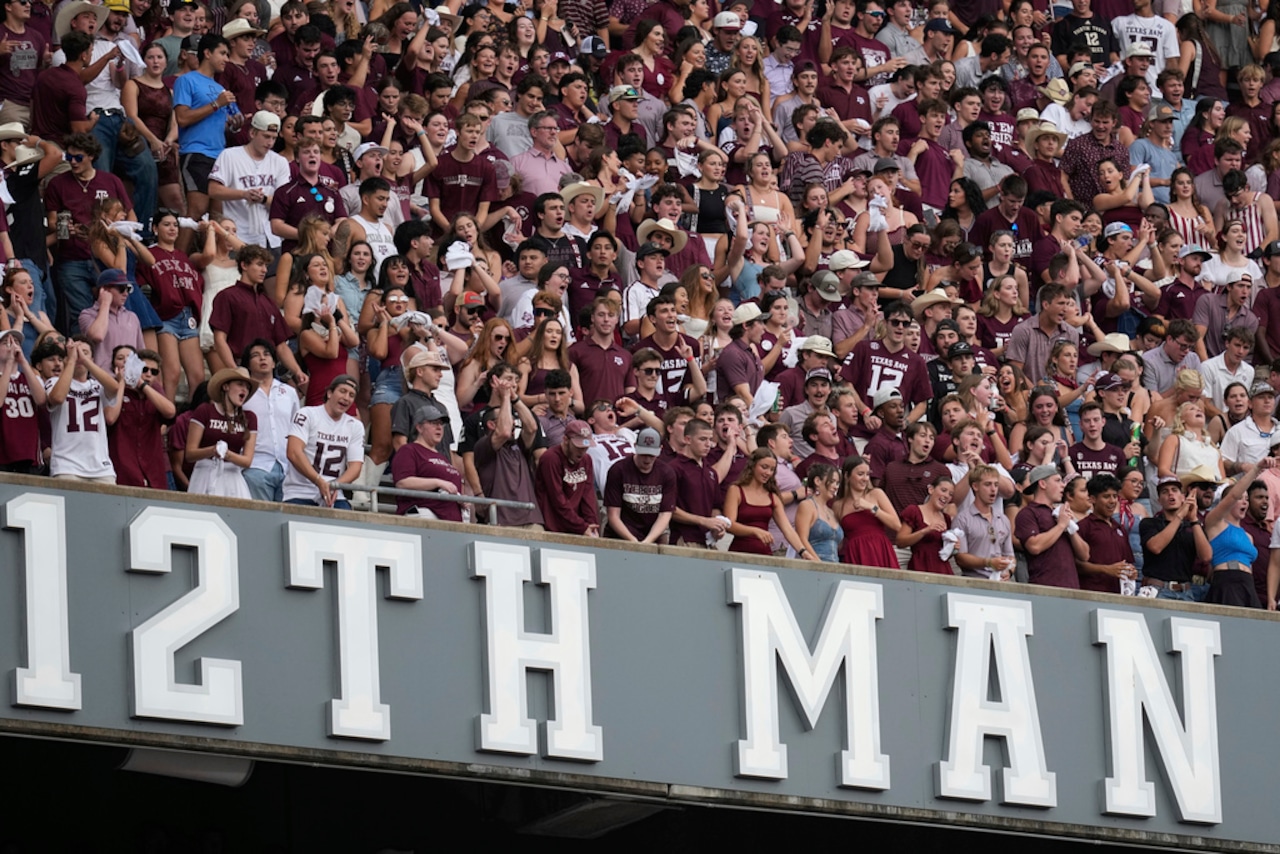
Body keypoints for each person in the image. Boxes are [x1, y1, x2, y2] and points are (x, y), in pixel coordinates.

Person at [1203, 457, 1278, 608]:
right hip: (1227, 581)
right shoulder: (1215, 523)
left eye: (1246, 499)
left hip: (1247, 585)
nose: (1245, 502)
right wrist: (1256, 469)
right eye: (1241, 499)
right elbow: (1233, 495)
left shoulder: (1248, 536)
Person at [44, 336, 120, 483]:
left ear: (92, 359)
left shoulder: (97, 385)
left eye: (85, 352)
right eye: (75, 352)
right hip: (66, 466)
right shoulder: (54, 382)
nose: (79, 355)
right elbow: (58, 398)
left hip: (101, 468)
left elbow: (115, 388)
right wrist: (72, 360)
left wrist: (84, 359)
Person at [284, 374, 365, 509]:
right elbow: (293, 452)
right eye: (342, 391)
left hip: (334, 494)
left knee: (348, 523)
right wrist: (318, 481)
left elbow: (355, 467)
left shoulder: (355, 426)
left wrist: (334, 485)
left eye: (351, 395)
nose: (346, 398)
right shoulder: (307, 414)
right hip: (301, 491)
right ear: (329, 393)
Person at [723, 448, 811, 558]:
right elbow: (729, 525)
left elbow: (787, 529)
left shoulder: (773, 496)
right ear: (753, 465)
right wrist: (754, 531)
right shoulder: (736, 490)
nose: (768, 473)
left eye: (772, 469)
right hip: (739, 553)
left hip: (765, 554)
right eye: (764, 467)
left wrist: (803, 551)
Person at [185, 366, 257, 498]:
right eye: (240, 384)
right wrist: (213, 450)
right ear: (225, 387)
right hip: (205, 474)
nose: (244, 390)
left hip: (233, 477)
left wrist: (227, 454)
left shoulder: (250, 418)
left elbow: (247, 461)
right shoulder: (205, 410)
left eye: (247, 387)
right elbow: (190, 453)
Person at [1015, 464, 1089, 589]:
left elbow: (1085, 555)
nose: (1063, 485)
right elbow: (1034, 546)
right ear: (1043, 484)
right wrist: (1060, 526)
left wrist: (1070, 528)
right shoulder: (1028, 513)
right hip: (1044, 588)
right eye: (1057, 480)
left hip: (1072, 588)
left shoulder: (1061, 513)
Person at [392, 399, 465, 521]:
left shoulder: (443, 457)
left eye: (441, 424)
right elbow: (402, 482)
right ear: (419, 427)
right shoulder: (409, 450)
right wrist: (438, 483)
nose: (439, 427)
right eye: (433, 423)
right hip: (426, 513)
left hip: (451, 517)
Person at [604, 427, 677, 543]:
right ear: (635, 446)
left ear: (660, 450)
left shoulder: (666, 473)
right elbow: (613, 515)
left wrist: (648, 541)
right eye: (643, 454)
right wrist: (632, 540)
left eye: (651, 455)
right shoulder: (618, 470)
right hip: (620, 535)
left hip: (652, 534)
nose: (647, 459)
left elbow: (665, 514)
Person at [832, 455, 900, 569]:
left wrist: (872, 508)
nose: (865, 478)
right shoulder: (838, 505)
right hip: (856, 553)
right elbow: (838, 539)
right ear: (847, 476)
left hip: (880, 549)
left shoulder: (876, 494)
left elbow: (897, 525)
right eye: (860, 474)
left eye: (867, 474)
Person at [1074, 472, 1137, 594]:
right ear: (1092, 499)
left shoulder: (1120, 528)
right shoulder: (1082, 527)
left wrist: (1132, 571)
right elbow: (1076, 564)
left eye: (1115, 496)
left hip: (1118, 596)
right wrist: (1106, 569)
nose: (1112, 501)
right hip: (1091, 594)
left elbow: (1127, 561)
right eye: (1106, 496)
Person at [535, 419, 600, 536]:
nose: (582, 451)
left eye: (585, 447)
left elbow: (588, 496)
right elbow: (558, 499)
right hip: (553, 527)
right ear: (565, 440)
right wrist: (582, 526)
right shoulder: (550, 458)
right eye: (578, 446)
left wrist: (592, 525)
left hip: (577, 527)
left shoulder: (586, 460)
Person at [952, 463, 1015, 580]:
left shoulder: (1003, 519)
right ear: (975, 486)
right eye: (988, 484)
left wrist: (1010, 571)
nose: (993, 489)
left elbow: (1010, 555)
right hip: (974, 581)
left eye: (996, 485)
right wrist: (988, 562)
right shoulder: (962, 519)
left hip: (1000, 582)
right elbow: (960, 558)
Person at [895, 475, 955, 574]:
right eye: (943, 490)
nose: (947, 496)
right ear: (931, 489)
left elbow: (945, 553)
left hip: (942, 569)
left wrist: (954, 548)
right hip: (920, 566)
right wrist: (925, 531)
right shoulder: (914, 511)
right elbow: (900, 541)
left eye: (951, 494)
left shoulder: (946, 518)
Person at [1221, 382, 1280, 476]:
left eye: (1270, 397)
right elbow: (1222, 461)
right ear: (1250, 403)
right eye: (1261, 397)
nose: (1267, 400)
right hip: (1249, 485)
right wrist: (1242, 466)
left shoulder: (1278, 428)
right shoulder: (1237, 431)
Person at [793, 462, 844, 563]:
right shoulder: (807, 506)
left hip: (834, 568)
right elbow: (802, 539)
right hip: (813, 567)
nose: (835, 487)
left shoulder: (832, 512)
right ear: (817, 481)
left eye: (837, 483)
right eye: (832, 481)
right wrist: (818, 564)